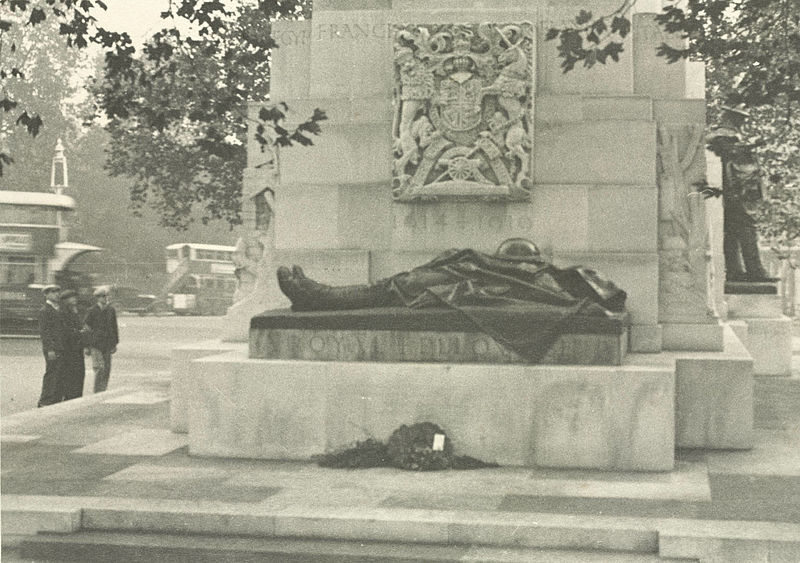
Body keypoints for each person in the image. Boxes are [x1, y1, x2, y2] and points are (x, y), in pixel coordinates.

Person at [276, 238, 626, 363]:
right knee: (395, 285)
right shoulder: (546, 278)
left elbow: (606, 300)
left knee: (394, 287)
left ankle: (317, 297)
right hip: (460, 282)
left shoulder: (553, 287)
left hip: (456, 288)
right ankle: (316, 294)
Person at [707, 104, 773, 282]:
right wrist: (749, 147)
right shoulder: (723, 137)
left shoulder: (728, 137)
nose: (742, 122)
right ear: (730, 116)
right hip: (735, 192)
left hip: (737, 192)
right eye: (739, 117)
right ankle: (754, 270)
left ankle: (736, 270)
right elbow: (731, 159)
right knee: (745, 228)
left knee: (733, 231)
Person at [84, 286, 119, 393]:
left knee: (107, 369)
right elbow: (87, 328)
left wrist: (115, 343)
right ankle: (97, 391)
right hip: (96, 344)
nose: (105, 298)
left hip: (107, 344)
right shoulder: (92, 310)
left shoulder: (110, 310)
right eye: (102, 296)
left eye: (106, 296)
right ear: (97, 298)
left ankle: (103, 390)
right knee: (100, 368)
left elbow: (114, 327)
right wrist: (87, 345)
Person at [37, 284, 66, 407]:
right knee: (51, 373)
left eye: (57, 292)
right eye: (53, 292)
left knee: (59, 373)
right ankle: (44, 400)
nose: (56, 294)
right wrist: (50, 349)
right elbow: (45, 332)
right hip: (52, 348)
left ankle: (55, 399)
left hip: (60, 346)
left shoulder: (57, 309)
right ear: (46, 294)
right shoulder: (45, 310)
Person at [59, 289, 86, 401]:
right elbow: (65, 330)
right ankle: (70, 397)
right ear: (65, 300)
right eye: (72, 298)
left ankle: (76, 397)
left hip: (77, 349)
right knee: (70, 375)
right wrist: (79, 332)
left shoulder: (74, 312)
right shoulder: (63, 313)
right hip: (68, 350)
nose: (75, 299)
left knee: (79, 374)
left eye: (75, 297)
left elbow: (79, 326)